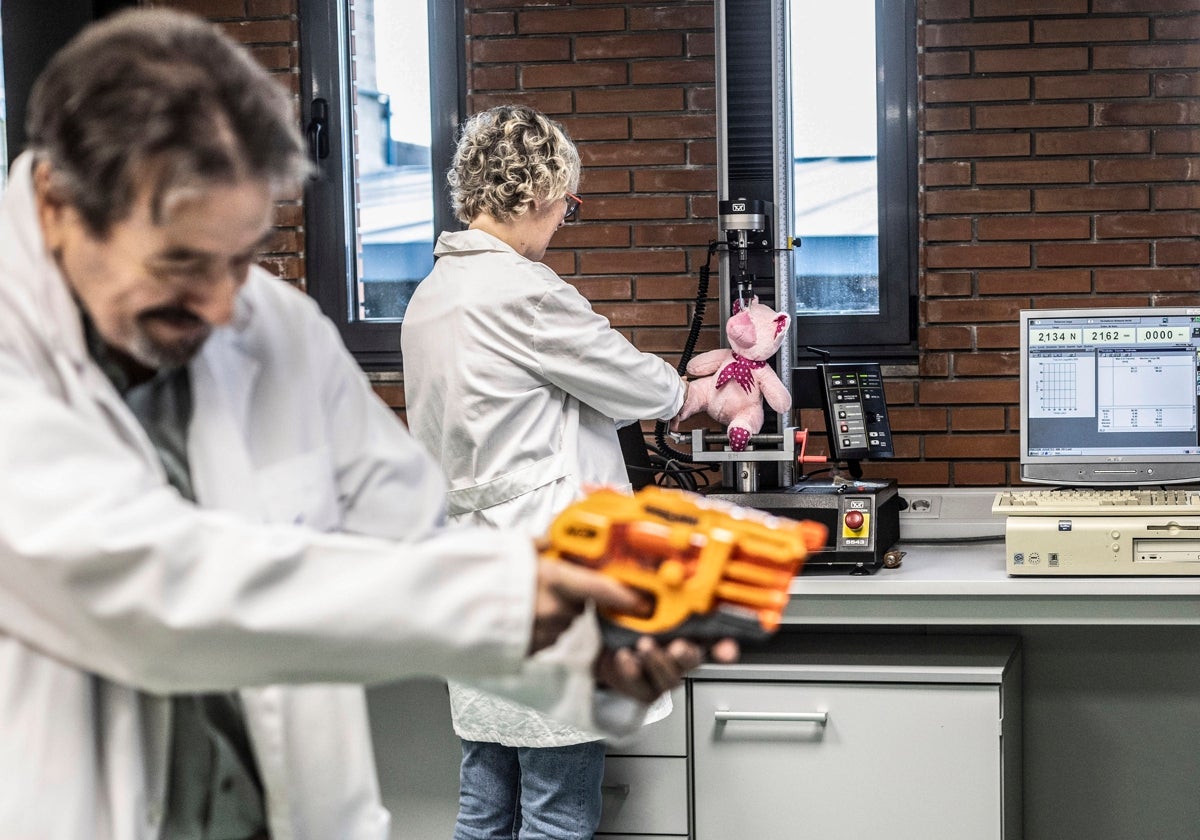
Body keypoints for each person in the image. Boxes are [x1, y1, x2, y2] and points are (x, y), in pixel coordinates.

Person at [0, 11, 734, 839]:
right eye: (182, 263)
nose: (220, 304)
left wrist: (577, 629)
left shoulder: (269, 325)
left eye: (241, 257)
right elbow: (150, 588)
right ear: (58, 205)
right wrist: (501, 600)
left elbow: (402, 502)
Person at [402, 105, 691, 840]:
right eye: (568, 205)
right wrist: (693, 389)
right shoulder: (522, 292)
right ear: (534, 195)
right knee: (557, 813)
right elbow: (629, 382)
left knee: (485, 800)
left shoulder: (431, 297)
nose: (565, 220)